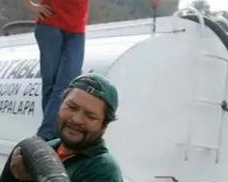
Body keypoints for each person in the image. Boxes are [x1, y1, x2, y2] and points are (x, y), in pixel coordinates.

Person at [25, 0, 160, 140]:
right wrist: (31, 6)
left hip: (76, 29)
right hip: (50, 25)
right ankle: (54, 135)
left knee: (66, 83)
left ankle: (46, 135)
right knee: (50, 83)